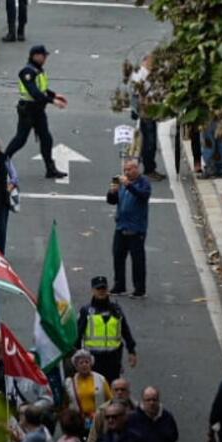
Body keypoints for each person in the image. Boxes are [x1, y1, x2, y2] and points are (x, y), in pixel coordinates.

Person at [3, 44, 68, 178]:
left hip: (38, 110)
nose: (45, 59)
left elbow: (42, 89)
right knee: (20, 139)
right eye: (44, 56)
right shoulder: (27, 72)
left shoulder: (38, 70)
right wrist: (52, 101)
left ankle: (50, 169)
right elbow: (34, 92)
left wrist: (54, 95)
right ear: (36, 56)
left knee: (46, 138)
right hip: (28, 110)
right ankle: (2, 161)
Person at [78, 277, 137, 382]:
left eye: (103, 288)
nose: (101, 291)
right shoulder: (86, 311)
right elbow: (78, 334)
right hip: (93, 359)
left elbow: (125, 330)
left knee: (112, 390)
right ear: (93, 290)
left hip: (113, 359)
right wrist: (76, 357)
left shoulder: (116, 310)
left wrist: (131, 351)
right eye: (98, 289)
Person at [107, 158, 151, 298]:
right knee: (118, 257)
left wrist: (128, 185)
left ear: (137, 169)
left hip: (136, 228)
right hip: (121, 226)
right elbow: (111, 201)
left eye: (129, 169)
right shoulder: (122, 184)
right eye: (125, 169)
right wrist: (112, 192)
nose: (127, 172)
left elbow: (143, 195)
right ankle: (119, 285)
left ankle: (139, 289)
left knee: (137, 260)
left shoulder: (144, 182)